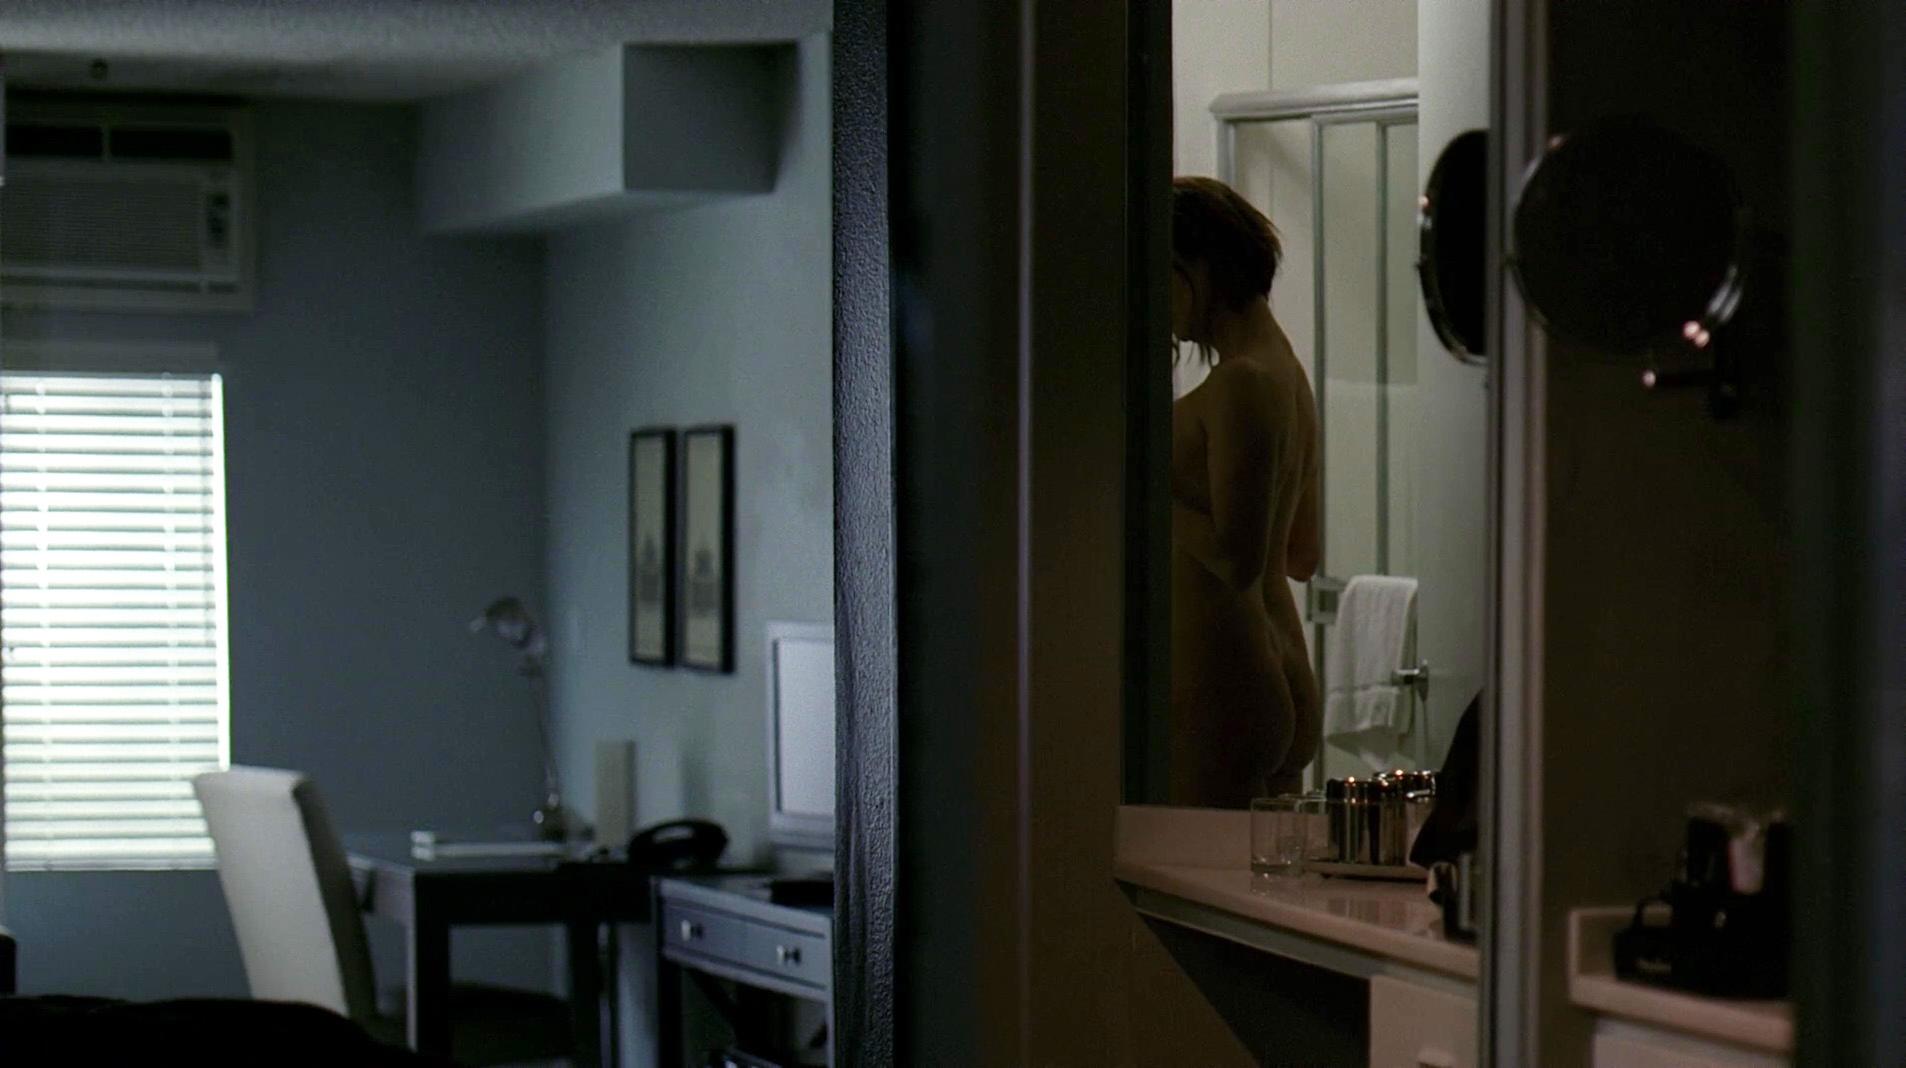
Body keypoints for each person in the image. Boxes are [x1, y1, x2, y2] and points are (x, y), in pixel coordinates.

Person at [1169, 176, 1321, 808]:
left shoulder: (1240, 382)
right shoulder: (1289, 375)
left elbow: (1238, 559)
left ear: (1197, 269)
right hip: (1279, 659)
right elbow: (1302, 553)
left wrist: (1149, 495)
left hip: (1226, 676)